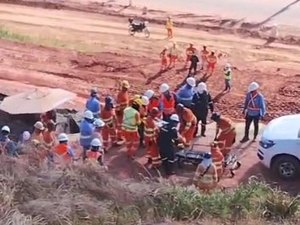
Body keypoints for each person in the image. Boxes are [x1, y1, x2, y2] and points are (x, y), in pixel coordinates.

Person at [115, 80, 130, 145]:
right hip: (121, 112)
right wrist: (118, 111)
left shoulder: (126, 92)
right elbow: (118, 104)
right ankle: (119, 136)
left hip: (125, 111)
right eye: (125, 88)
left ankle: (122, 135)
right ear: (122, 87)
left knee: (124, 124)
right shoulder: (120, 94)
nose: (126, 89)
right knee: (120, 125)